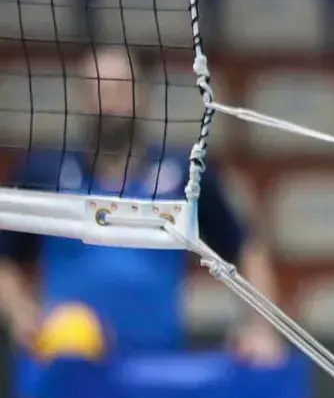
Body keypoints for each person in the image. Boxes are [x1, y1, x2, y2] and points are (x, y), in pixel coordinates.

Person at [0, 46, 285, 362]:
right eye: (96, 88)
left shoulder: (186, 174)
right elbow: (4, 256)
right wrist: (20, 312)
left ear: (143, 95)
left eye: (119, 88)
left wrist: (260, 329)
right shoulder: (44, 171)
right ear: (81, 98)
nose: (107, 101)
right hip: (65, 360)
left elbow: (246, 249)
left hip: (155, 367)